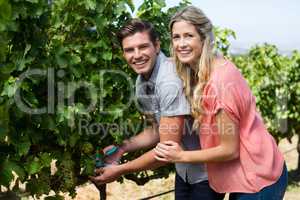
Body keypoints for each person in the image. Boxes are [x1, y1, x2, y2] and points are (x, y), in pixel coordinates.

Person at [154, 6, 288, 200]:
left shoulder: (219, 82)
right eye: (176, 37)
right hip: (246, 174)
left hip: (258, 177)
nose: (181, 43)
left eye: (188, 36)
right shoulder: (202, 71)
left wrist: (181, 156)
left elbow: (229, 150)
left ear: (204, 38)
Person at [90, 19, 224, 200]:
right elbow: (157, 130)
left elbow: (166, 150)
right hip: (185, 171)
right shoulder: (141, 82)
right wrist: (122, 148)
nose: (136, 55)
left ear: (157, 46)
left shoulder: (169, 80)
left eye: (143, 47)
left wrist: (119, 170)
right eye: (129, 50)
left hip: (207, 174)